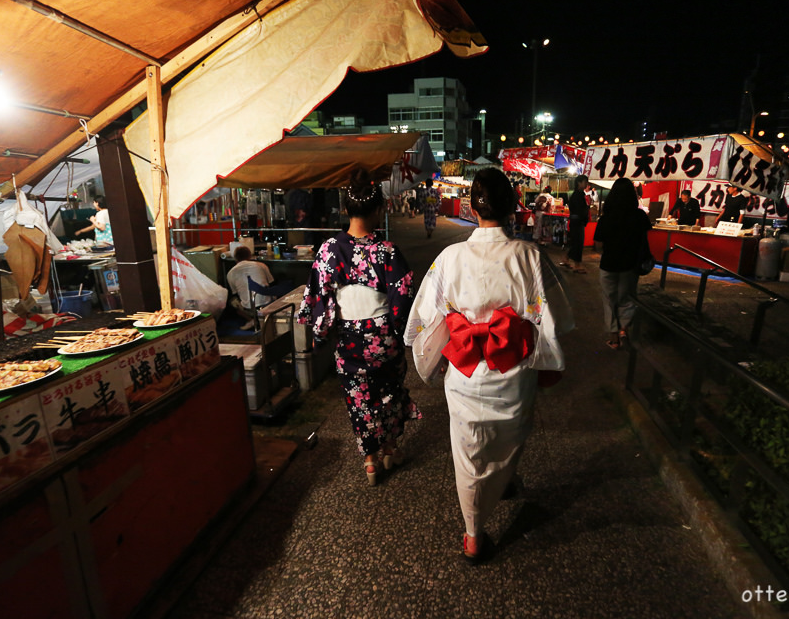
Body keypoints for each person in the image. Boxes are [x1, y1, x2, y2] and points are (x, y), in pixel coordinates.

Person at [405, 167, 572, 565]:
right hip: (510, 370)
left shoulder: (449, 257)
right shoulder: (530, 256)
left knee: (467, 450)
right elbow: (557, 316)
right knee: (510, 436)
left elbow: (426, 317)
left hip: (464, 372)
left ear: (472, 208)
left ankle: (473, 534)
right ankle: (502, 484)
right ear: (514, 207)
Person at [298, 168, 419, 485]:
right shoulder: (387, 251)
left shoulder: (328, 250)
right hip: (384, 340)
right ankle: (391, 448)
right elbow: (403, 297)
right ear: (379, 209)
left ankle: (370, 459)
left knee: (359, 399)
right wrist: (399, 330)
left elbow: (317, 295)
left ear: (345, 209)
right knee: (390, 392)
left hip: (350, 341)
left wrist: (320, 331)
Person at [593, 178, 653, 350]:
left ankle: (613, 337)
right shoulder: (640, 215)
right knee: (627, 298)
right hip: (630, 264)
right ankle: (623, 329)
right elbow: (645, 238)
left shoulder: (606, 218)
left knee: (609, 299)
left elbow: (598, 244)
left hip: (609, 263)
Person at [226, 246, 275, 330]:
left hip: (248, 309)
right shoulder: (261, 265)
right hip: (267, 305)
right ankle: (265, 318)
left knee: (232, 302)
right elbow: (271, 282)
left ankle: (252, 320)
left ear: (236, 258)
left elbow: (235, 294)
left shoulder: (230, 273)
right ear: (250, 256)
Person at [563, 175, 591, 272]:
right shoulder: (578, 195)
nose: (586, 184)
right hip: (577, 222)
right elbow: (580, 210)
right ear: (579, 183)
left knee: (574, 242)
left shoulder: (578, 194)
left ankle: (566, 259)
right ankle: (577, 265)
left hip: (576, 221)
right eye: (584, 182)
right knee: (578, 243)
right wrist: (587, 208)